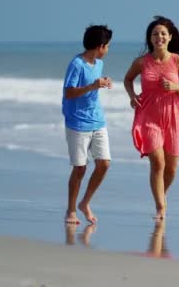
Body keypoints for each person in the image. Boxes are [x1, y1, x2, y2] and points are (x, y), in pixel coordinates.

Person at [124, 16, 179, 220]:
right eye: (155, 34)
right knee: (158, 162)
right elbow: (128, 80)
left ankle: (161, 194)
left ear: (170, 37)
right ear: (150, 38)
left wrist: (175, 87)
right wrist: (132, 96)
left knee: (171, 168)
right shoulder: (142, 62)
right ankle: (160, 207)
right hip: (148, 116)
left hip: (173, 117)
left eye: (163, 33)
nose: (159, 37)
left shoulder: (178, 61)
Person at [62, 25, 113, 225]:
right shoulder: (76, 64)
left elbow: (94, 84)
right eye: (107, 46)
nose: (108, 50)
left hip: (97, 119)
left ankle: (85, 202)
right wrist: (93, 85)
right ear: (100, 46)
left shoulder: (98, 63)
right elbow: (69, 92)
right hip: (77, 122)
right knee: (80, 168)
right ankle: (71, 210)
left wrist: (104, 82)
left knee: (104, 163)